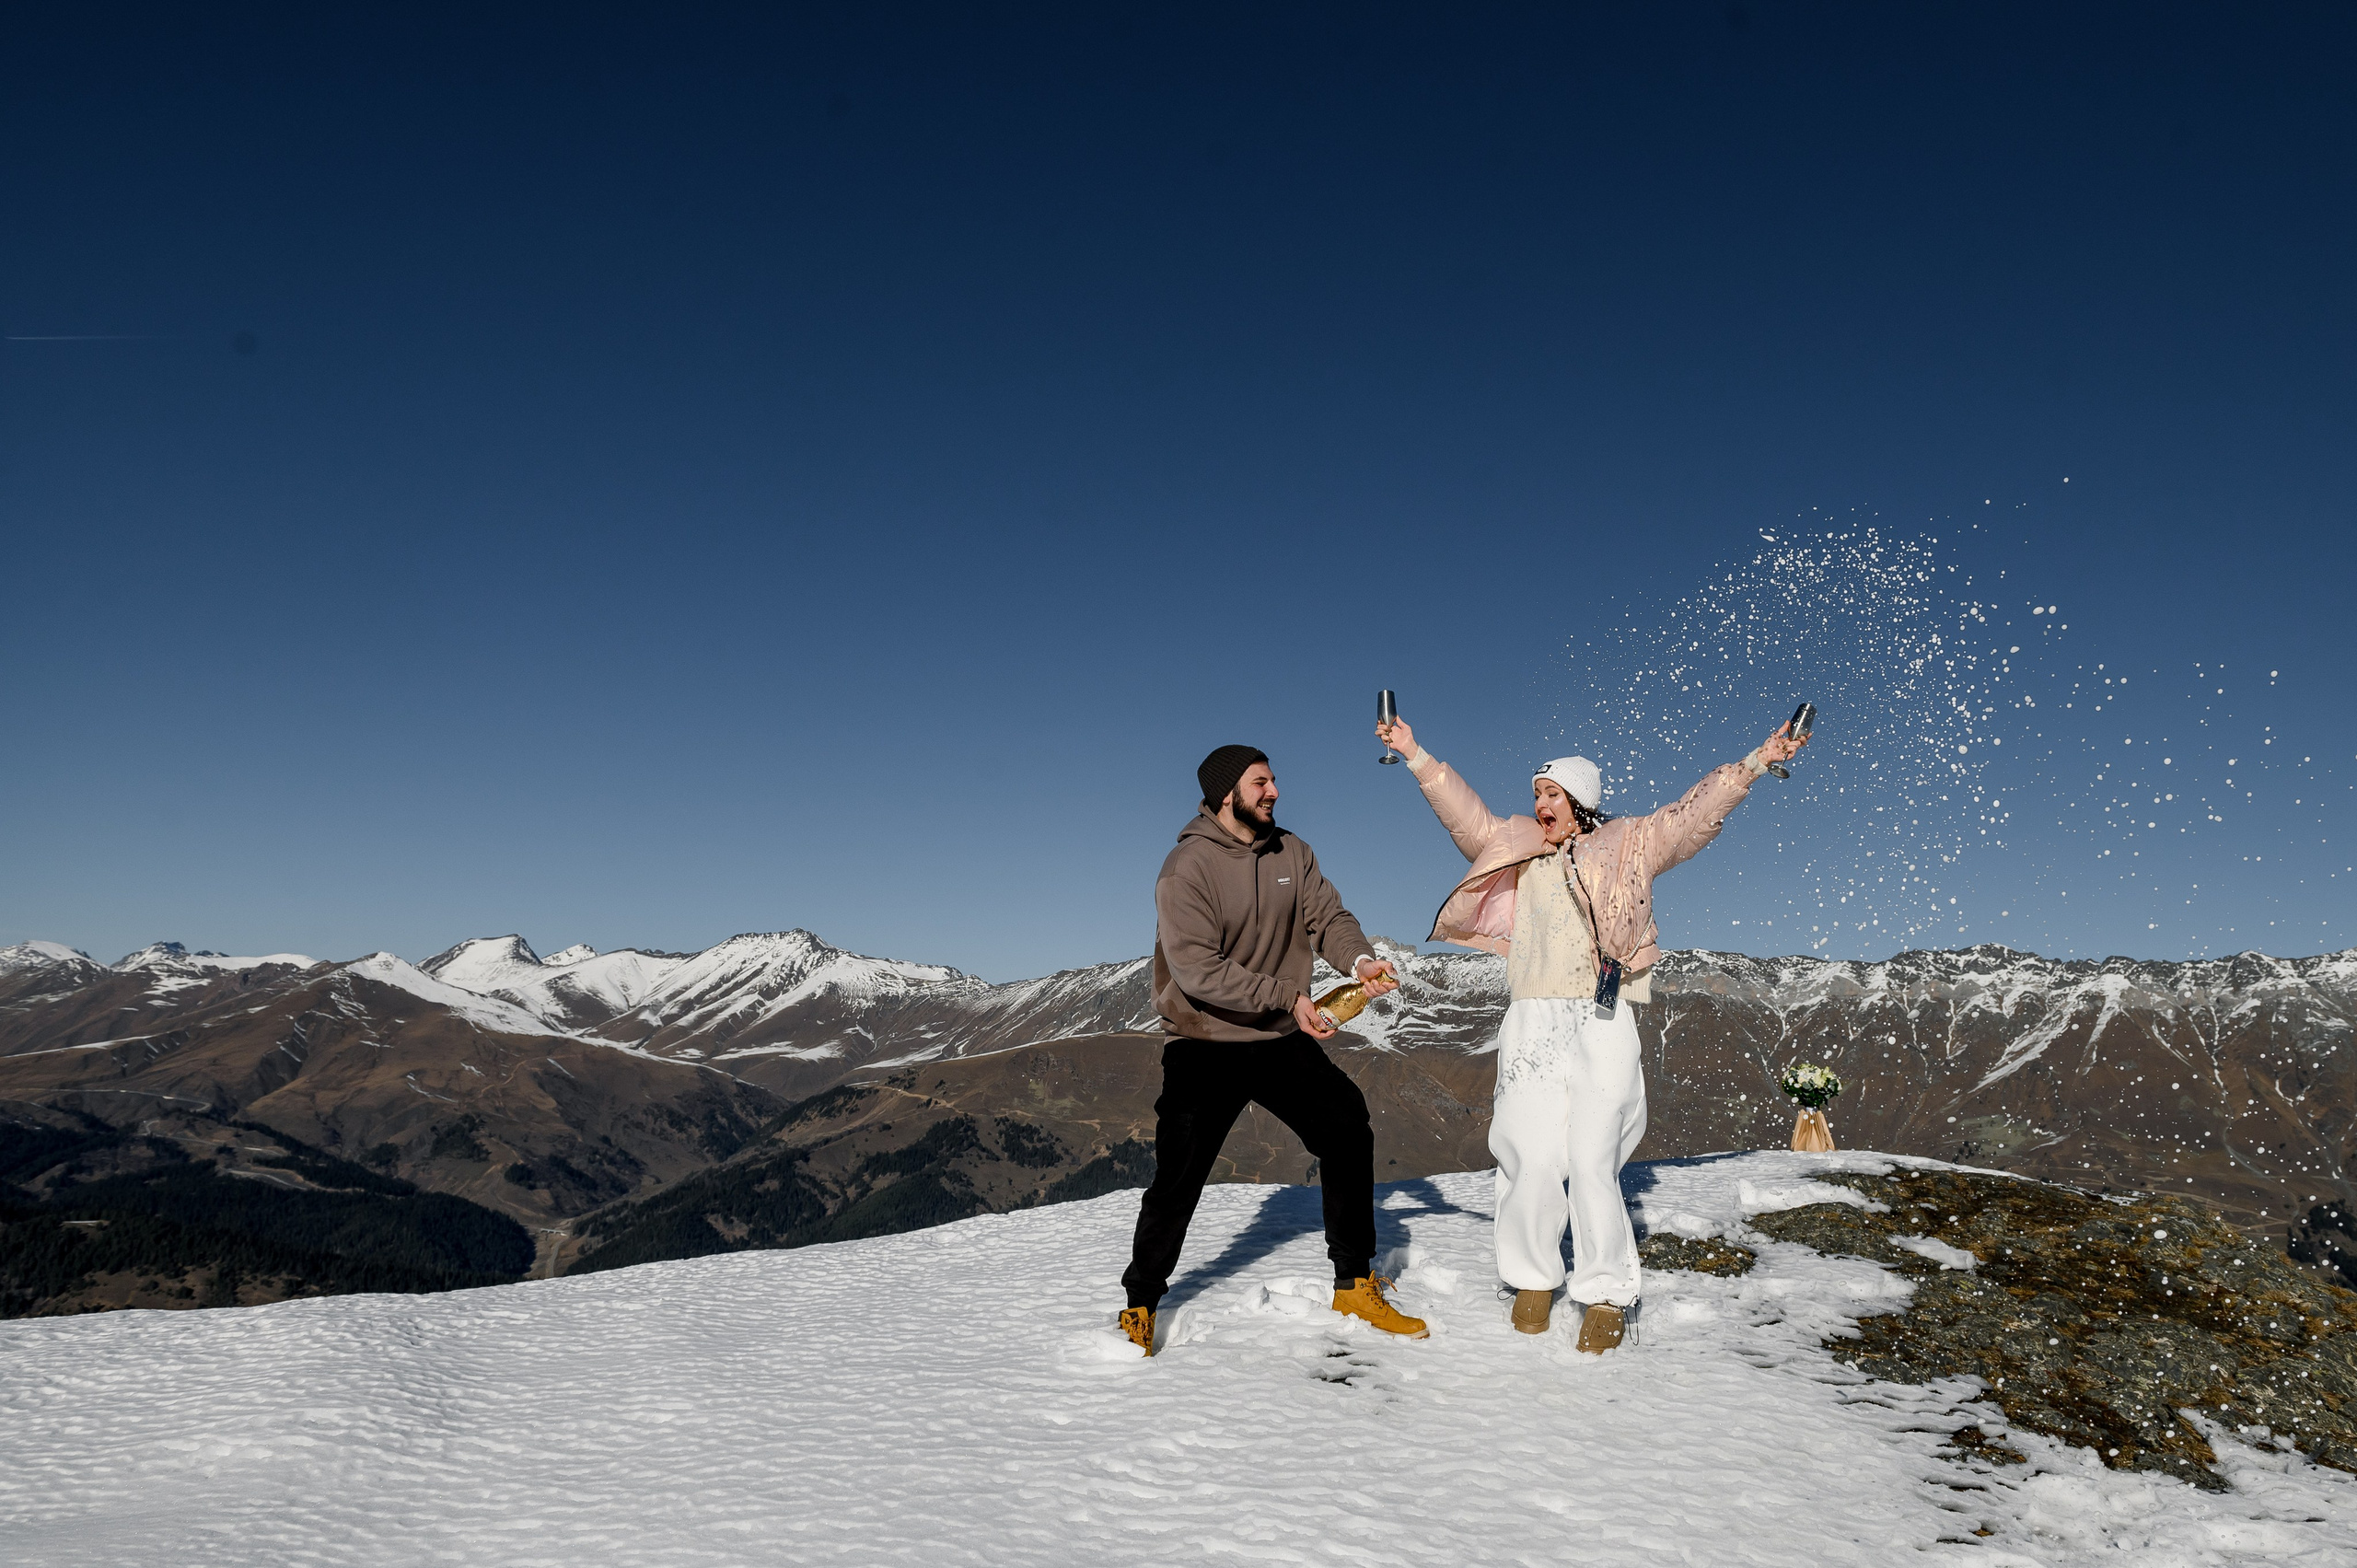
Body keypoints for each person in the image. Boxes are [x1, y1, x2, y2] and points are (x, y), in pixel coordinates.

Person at [1375, 712, 1806, 1353]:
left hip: (1602, 1013)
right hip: (1532, 1014)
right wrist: (1414, 753)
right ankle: (1530, 1277)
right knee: (1528, 1151)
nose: (1539, 804)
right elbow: (1464, 815)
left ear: (1580, 800)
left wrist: (1753, 763)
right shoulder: (1515, 844)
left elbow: (1691, 817)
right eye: (1535, 795)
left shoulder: (1632, 841)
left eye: (1550, 794)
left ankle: (1604, 1290)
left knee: (1591, 1157)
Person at [1117, 744, 1429, 1356]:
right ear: (1225, 793)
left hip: (1278, 1037)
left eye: (1274, 780)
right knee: (1178, 1176)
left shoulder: (1294, 853)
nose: (1276, 791)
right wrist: (1289, 996)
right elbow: (1198, 970)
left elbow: (1328, 916)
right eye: (1261, 782)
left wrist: (1359, 959)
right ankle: (1140, 1302)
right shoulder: (1186, 868)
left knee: (1346, 1128)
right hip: (1204, 1041)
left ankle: (1354, 1282)